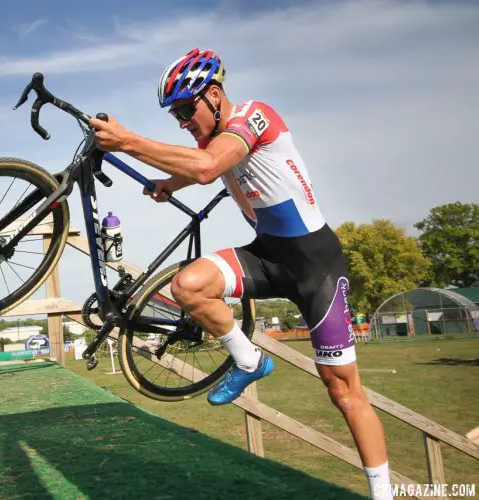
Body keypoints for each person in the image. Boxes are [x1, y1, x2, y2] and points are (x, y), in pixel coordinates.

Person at [90, 48, 393, 500]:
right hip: (266, 255)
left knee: (343, 390)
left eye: (184, 110)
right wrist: (171, 184)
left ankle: (382, 493)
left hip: (316, 266)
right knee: (188, 285)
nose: (181, 122)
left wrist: (129, 141)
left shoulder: (254, 116)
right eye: (175, 114)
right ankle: (250, 360)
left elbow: (210, 166)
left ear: (213, 95)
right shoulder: (211, 140)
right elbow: (204, 167)